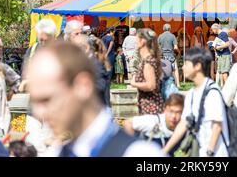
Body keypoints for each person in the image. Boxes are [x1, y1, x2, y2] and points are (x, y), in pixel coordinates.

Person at [24, 41, 163, 157]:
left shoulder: (139, 154)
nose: (38, 112)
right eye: (34, 101)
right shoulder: (57, 153)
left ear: (83, 86)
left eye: (47, 99)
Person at [164, 47, 229, 157]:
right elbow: (183, 123)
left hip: (216, 153)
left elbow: (217, 126)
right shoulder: (192, 93)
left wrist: (209, 152)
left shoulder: (212, 92)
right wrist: (164, 150)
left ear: (197, 66)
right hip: (200, 151)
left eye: (186, 63)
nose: (183, 67)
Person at [131, 29, 165, 115]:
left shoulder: (148, 62)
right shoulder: (148, 59)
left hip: (151, 108)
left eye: (137, 39)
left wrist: (134, 83)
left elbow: (151, 85)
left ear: (143, 41)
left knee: (129, 124)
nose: (135, 42)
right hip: (148, 107)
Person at [71, 35, 111, 107]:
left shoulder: (95, 65)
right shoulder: (84, 63)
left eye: (76, 48)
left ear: (86, 48)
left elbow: (100, 86)